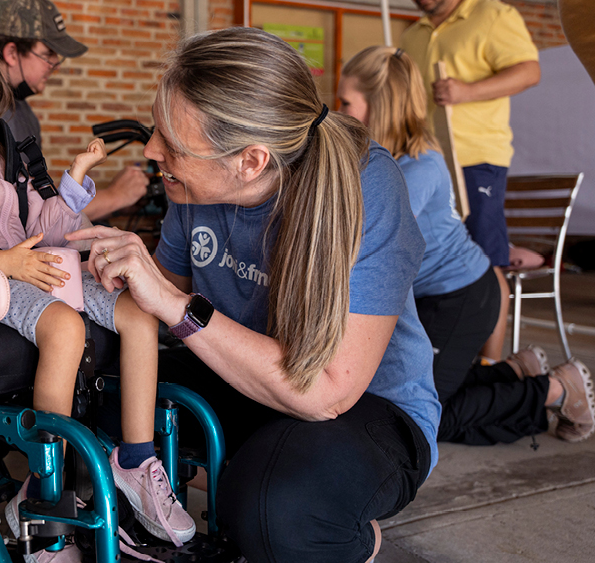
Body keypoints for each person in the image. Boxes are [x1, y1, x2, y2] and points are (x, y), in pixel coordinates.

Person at [66, 27, 440, 563]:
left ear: (250, 161)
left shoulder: (365, 187)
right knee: (90, 386)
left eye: (171, 144)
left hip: (365, 407)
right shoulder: (193, 186)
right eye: (156, 130)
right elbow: (161, 291)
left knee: (273, 513)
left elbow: (327, 393)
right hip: (239, 372)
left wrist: (172, 306)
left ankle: (346, 536)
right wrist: (101, 271)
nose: (152, 151)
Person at [0, 21, 195, 555]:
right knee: (65, 329)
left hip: (25, 266)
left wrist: (74, 181)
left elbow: (45, 227)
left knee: (139, 313)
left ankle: (135, 460)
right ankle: (45, 497)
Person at [339, 46, 595, 445]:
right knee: (413, 392)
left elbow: (359, 236)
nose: (338, 113)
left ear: (380, 105)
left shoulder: (418, 166)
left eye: (345, 102)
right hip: (434, 297)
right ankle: (513, 373)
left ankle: (558, 390)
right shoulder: (380, 160)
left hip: (462, 297)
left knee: (423, 417)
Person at [400, 0, 541, 364]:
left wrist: (466, 92)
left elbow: (528, 72)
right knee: (437, 258)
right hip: (426, 160)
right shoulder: (413, 32)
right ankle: (447, 356)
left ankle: (489, 365)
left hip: (475, 159)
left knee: (484, 260)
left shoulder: (493, 16)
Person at [0, 0, 150, 221]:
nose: (56, 64)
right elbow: (25, 217)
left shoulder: (23, 111)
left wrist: (116, 202)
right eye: (49, 53)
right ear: (12, 53)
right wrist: (115, 196)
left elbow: (41, 197)